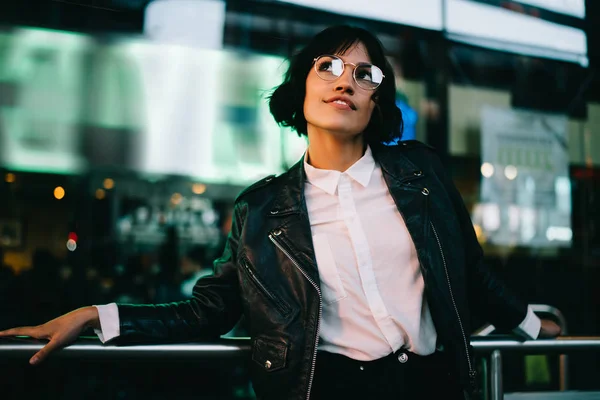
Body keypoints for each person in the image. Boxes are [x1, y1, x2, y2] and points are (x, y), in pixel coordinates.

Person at [0, 25, 561, 399]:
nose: (347, 80)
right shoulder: (263, 208)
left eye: (366, 74)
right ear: (301, 89)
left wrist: (537, 326)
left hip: (432, 385)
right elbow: (209, 311)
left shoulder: (422, 173)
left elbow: (471, 272)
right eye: (330, 67)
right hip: (329, 388)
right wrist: (100, 316)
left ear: (377, 102)